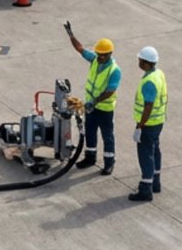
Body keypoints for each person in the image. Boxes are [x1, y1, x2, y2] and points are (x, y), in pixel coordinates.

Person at [65, 22, 119, 175]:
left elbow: (110, 91)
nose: (100, 57)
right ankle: (90, 158)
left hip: (104, 109)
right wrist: (71, 36)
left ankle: (109, 162)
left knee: (107, 136)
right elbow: (80, 49)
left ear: (110, 54)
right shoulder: (95, 59)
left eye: (103, 55)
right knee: (89, 132)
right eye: (99, 54)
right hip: (91, 106)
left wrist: (94, 102)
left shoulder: (114, 71)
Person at [128, 46, 166, 203]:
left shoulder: (149, 82)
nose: (138, 62)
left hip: (148, 124)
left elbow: (148, 106)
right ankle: (155, 183)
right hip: (158, 121)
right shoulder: (159, 74)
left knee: (146, 155)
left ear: (145, 62)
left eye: (140, 60)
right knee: (155, 151)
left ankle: (145, 189)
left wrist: (140, 126)